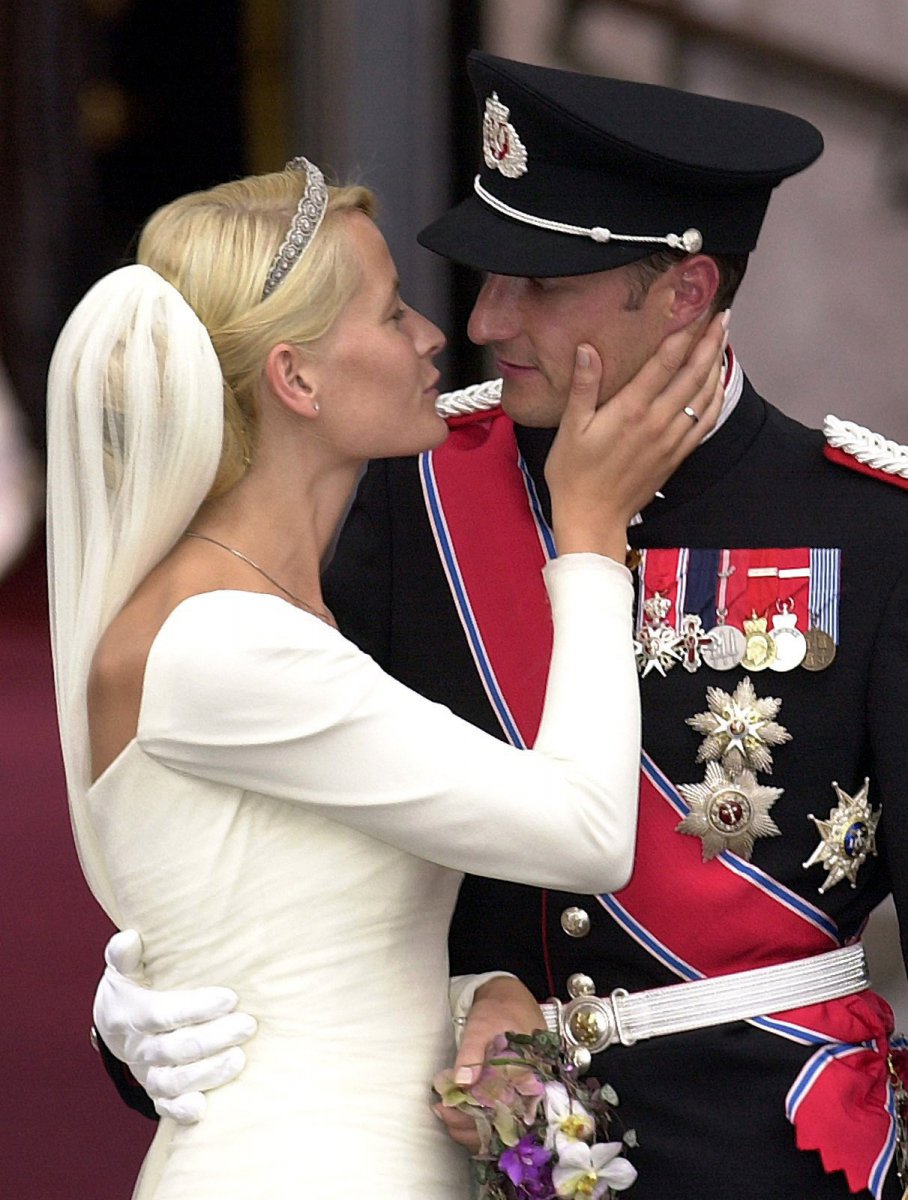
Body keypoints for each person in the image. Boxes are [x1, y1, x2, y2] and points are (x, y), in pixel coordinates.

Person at [89, 53, 908, 1199]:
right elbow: (272, 827)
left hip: (765, 1151)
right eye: (481, 274)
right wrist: (146, 994)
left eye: (536, 283)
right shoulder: (405, 494)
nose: (479, 318)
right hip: (474, 1152)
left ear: (680, 294)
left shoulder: (868, 531)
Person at [47, 154, 726, 1200]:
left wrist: (482, 994)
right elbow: (582, 834)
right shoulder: (222, 642)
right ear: (297, 379)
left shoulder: (274, 611)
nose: (433, 337)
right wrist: (588, 539)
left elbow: (322, 943)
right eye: (392, 312)